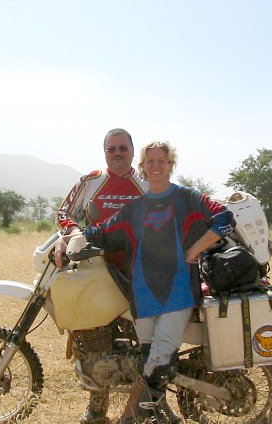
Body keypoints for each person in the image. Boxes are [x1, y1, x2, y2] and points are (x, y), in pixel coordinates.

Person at [57, 140, 234, 424]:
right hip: (129, 286)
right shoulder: (118, 197)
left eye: (161, 162)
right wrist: (73, 237)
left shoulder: (181, 196)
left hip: (168, 288)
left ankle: (137, 416)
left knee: (155, 354)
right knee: (125, 351)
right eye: (150, 162)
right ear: (142, 166)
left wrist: (196, 248)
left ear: (169, 165)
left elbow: (225, 218)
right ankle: (137, 412)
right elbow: (97, 228)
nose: (155, 167)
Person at [55, 128, 147, 424]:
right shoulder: (91, 181)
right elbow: (63, 212)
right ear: (104, 152)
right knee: (92, 339)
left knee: (147, 341)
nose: (117, 153)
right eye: (111, 149)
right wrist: (71, 232)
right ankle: (97, 408)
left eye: (122, 148)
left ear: (133, 151)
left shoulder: (146, 180)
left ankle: (153, 404)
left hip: (138, 270)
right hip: (96, 269)